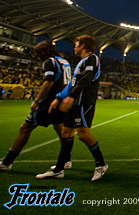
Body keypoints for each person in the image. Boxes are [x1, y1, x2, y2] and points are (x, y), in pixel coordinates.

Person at [36, 35, 108, 181]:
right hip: (75, 102)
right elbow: (72, 84)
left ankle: (101, 165)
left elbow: (86, 79)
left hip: (84, 103)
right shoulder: (82, 62)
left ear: (83, 45)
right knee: (66, 133)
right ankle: (59, 170)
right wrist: (59, 97)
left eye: (76, 44)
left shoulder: (92, 59)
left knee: (83, 135)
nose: (74, 46)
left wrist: (71, 96)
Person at [0, 41, 72, 171]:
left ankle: (6, 163)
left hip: (49, 102)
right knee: (61, 130)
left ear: (42, 53)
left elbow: (49, 82)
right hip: (61, 100)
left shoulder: (49, 62)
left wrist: (37, 100)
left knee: (25, 128)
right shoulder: (64, 61)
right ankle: (66, 160)